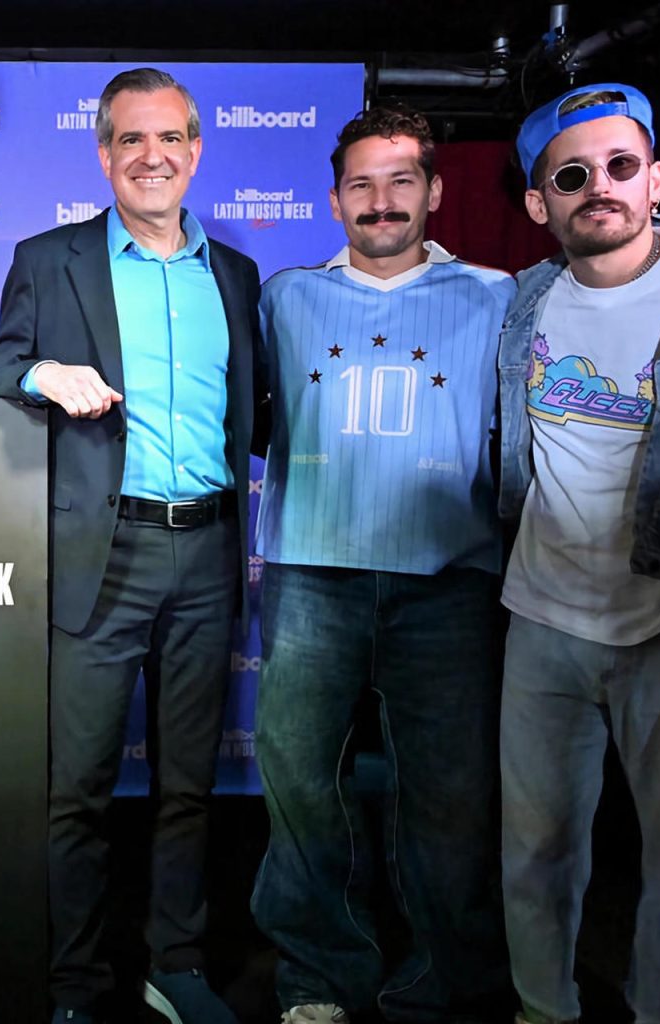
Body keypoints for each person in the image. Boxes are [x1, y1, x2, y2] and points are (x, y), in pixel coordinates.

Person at [0, 67, 265, 1024]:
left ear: (195, 151)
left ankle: (174, 964)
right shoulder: (49, 258)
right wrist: (48, 373)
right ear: (104, 155)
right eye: (131, 141)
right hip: (102, 557)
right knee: (77, 792)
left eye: (171, 139)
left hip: (209, 554)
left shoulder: (234, 274)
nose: (153, 157)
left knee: (189, 785)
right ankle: (73, 984)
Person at [249, 106, 513, 1024]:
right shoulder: (283, 297)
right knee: (303, 798)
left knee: (450, 803)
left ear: (436, 191)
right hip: (308, 574)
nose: (381, 201)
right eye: (361, 183)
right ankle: (320, 980)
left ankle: (446, 988)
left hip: (448, 580)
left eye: (402, 180)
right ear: (333, 199)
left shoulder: (500, 295)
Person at [499, 82, 660, 1024]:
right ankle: (545, 1012)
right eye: (572, 176)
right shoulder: (525, 303)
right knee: (536, 855)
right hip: (542, 624)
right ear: (542, 203)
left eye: (622, 165)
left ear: (656, 176)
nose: (602, 187)